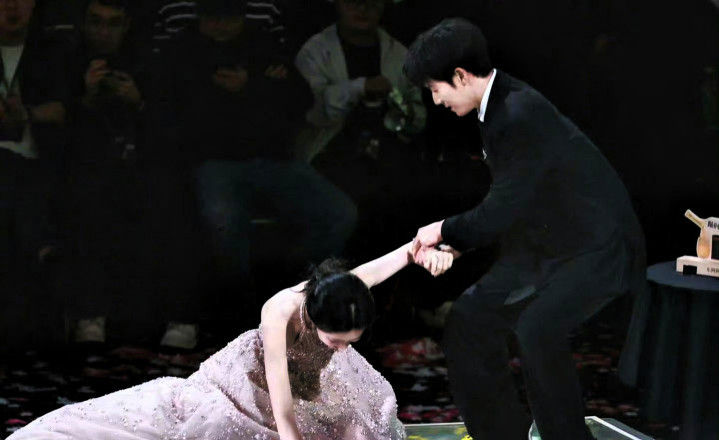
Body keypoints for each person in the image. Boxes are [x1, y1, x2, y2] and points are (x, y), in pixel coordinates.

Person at [403, 18, 646, 440]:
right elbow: (517, 204)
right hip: (546, 244)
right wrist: (457, 246)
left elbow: (502, 208)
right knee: (468, 320)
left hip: (597, 247)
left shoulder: (518, 112)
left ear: (460, 76)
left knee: (537, 328)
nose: (435, 100)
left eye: (435, 88)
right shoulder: (497, 107)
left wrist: (442, 231)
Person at [7, 242, 455, 440]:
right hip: (253, 381)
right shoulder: (280, 313)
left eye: (350, 342)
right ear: (315, 318)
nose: (342, 349)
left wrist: (425, 251)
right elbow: (281, 403)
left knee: (364, 420)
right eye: (336, 340)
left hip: (310, 376)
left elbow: (398, 257)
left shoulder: (345, 292)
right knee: (214, 427)